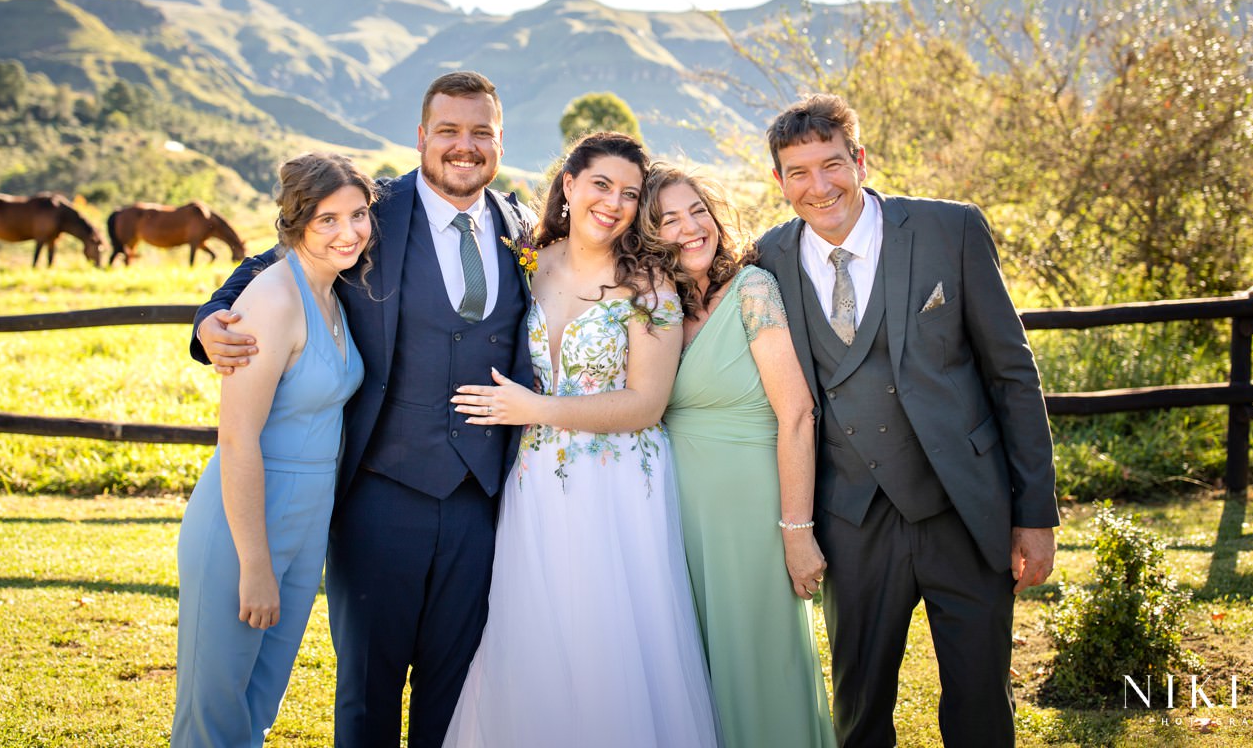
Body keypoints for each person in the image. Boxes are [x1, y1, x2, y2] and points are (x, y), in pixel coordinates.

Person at [192, 71, 537, 748]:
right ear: (421, 137)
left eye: (481, 133)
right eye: (448, 131)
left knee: (455, 684)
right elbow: (275, 261)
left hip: (481, 498)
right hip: (379, 491)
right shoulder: (372, 210)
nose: (463, 147)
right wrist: (210, 319)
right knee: (368, 691)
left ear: (499, 141)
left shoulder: (521, 225)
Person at [753, 92, 1058, 748]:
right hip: (852, 523)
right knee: (859, 711)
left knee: (980, 705)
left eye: (832, 164)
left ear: (860, 160)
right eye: (798, 173)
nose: (819, 185)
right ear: (779, 183)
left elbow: (1012, 376)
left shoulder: (951, 231)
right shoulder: (766, 260)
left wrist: (1035, 516)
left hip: (964, 508)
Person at [443, 132, 721, 748]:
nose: (614, 202)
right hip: (535, 479)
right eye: (601, 185)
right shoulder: (524, 266)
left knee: (611, 636)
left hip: (621, 482)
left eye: (629, 193)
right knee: (539, 625)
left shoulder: (651, 285)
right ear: (568, 186)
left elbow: (647, 405)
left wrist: (533, 407)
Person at [173, 152, 372, 746]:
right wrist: (255, 564)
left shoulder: (336, 293)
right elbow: (237, 438)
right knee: (214, 709)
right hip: (244, 524)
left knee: (259, 702)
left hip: (307, 520)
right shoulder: (275, 299)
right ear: (296, 222)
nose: (349, 231)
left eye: (358, 215)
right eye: (328, 219)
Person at [643, 165, 836, 748]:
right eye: (670, 219)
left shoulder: (752, 290)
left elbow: (797, 415)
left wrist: (797, 532)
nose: (690, 227)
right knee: (694, 665)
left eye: (697, 210)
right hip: (677, 515)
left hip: (751, 514)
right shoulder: (658, 307)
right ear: (651, 235)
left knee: (760, 659)